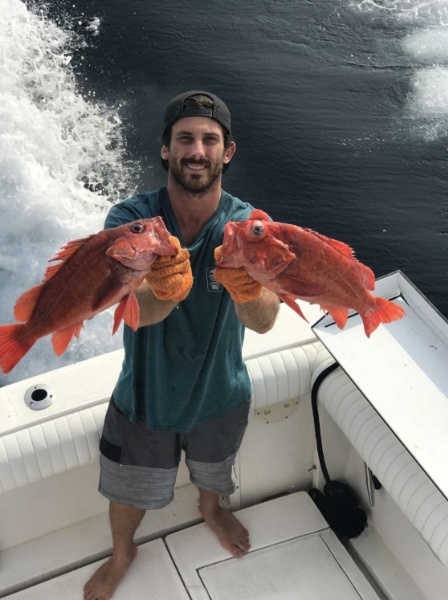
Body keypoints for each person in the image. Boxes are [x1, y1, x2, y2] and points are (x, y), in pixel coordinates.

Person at [83, 91, 280, 600]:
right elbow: (138, 312)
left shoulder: (250, 226)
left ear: (227, 152)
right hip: (145, 396)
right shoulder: (131, 219)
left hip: (222, 394)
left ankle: (211, 508)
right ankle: (123, 551)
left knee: (215, 473)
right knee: (129, 492)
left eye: (209, 140)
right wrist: (167, 292)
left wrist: (248, 290)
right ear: (166, 150)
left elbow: (264, 322)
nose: (198, 150)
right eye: (185, 139)